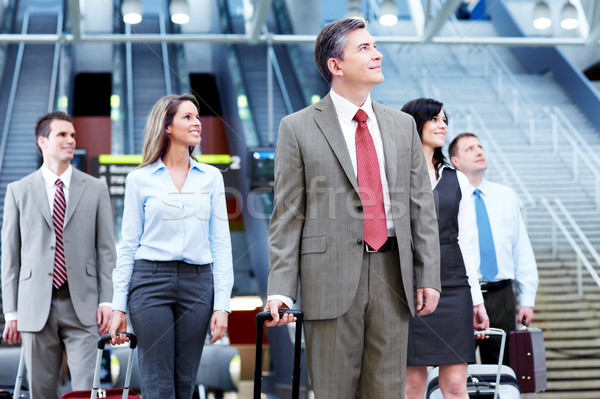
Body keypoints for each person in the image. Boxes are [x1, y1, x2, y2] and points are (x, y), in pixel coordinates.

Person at [265, 18, 441, 398]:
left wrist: (427, 274)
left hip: (393, 276)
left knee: (386, 392)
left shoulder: (402, 126)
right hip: (327, 279)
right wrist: (280, 289)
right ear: (336, 65)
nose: (377, 54)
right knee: (333, 391)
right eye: (364, 48)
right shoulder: (297, 128)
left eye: (375, 46)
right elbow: (287, 215)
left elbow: (420, 207)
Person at [109, 94, 233, 399]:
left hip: (198, 282)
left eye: (197, 116)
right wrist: (118, 305)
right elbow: (128, 245)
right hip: (149, 282)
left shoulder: (212, 178)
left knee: (185, 380)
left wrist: (222, 305)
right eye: (187, 117)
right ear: (167, 127)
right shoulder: (140, 179)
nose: (197, 123)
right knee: (156, 380)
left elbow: (221, 244)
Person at [1, 111, 116, 398]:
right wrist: (11, 312)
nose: (70, 140)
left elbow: (106, 251)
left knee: (87, 391)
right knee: (41, 391)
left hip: (84, 305)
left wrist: (107, 300)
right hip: (33, 305)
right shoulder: (18, 191)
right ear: (43, 141)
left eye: (73, 135)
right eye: (62, 135)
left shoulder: (96, 188)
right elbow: (10, 257)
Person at [401, 99, 489, 399]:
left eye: (444, 120)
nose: (443, 126)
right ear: (415, 123)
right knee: (411, 387)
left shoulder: (458, 179)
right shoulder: (395, 175)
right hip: (408, 287)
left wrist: (476, 300)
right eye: (435, 119)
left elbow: (465, 242)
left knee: (454, 387)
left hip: (454, 288)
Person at [449, 132, 538, 365]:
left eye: (480, 146)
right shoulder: (448, 198)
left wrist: (527, 299)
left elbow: (521, 248)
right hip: (463, 295)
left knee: (502, 370)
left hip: (503, 297)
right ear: (455, 161)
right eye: (470, 149)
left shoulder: (506, 196)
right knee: (456, 370)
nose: (479, 151)